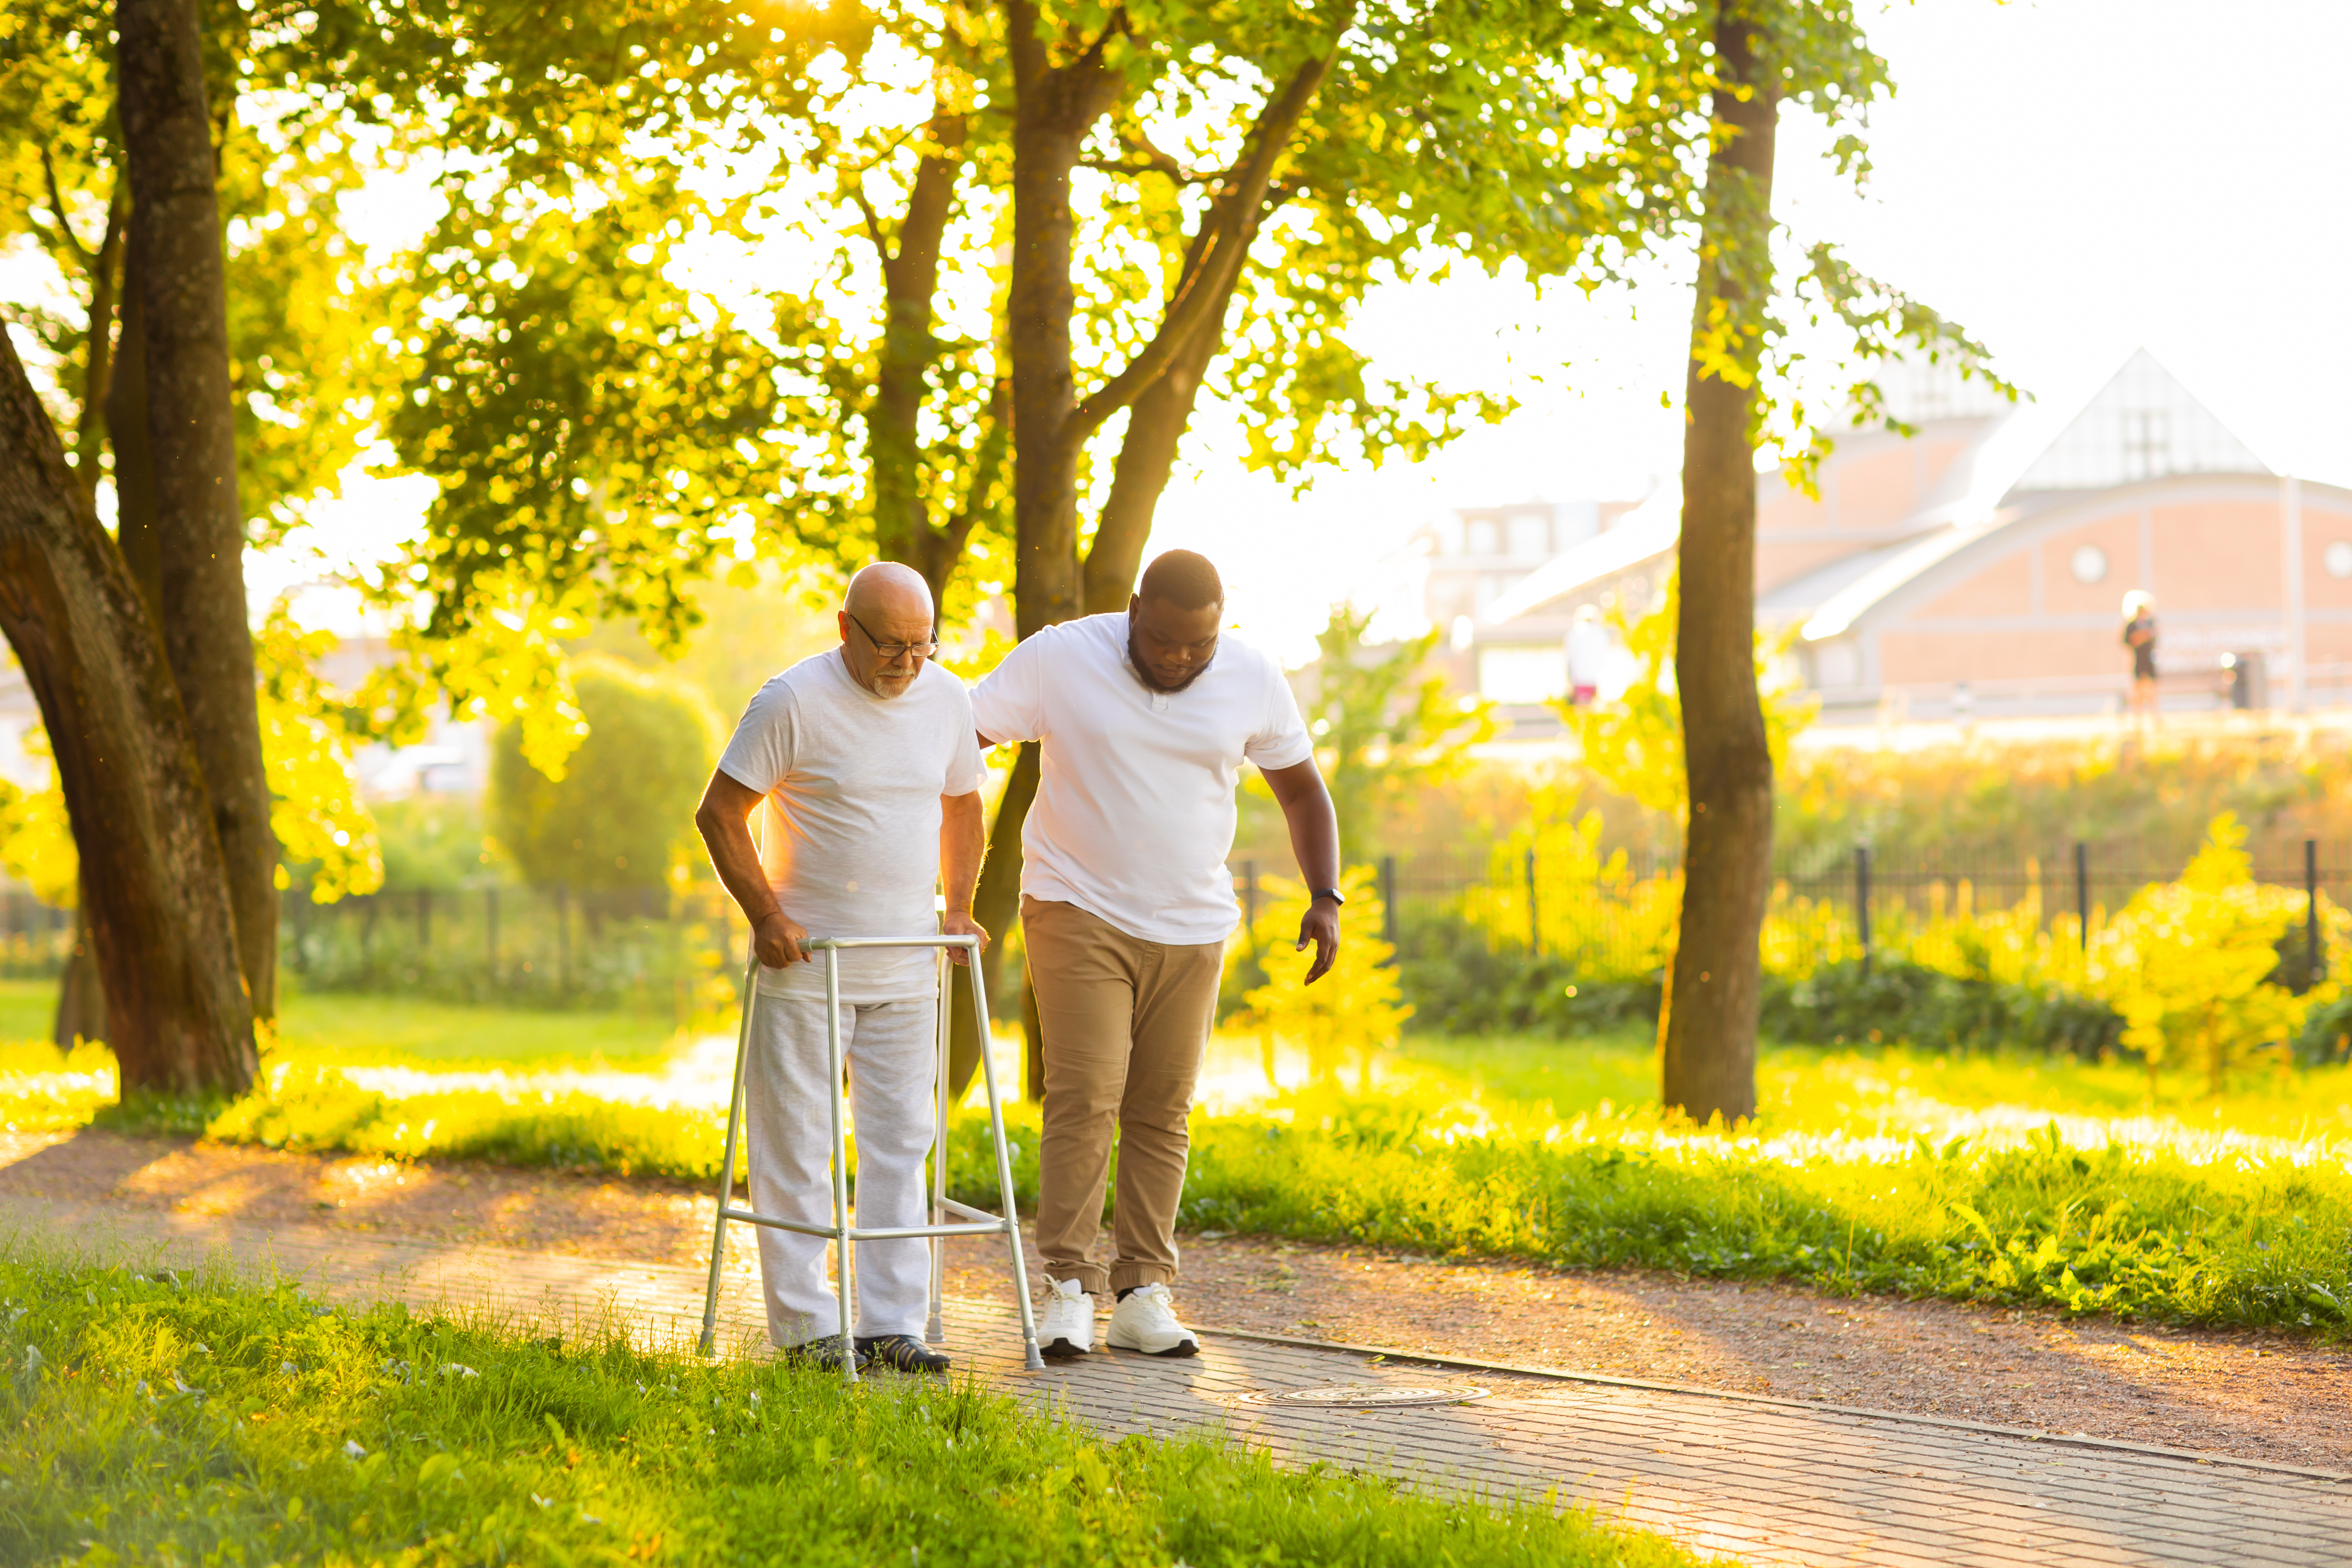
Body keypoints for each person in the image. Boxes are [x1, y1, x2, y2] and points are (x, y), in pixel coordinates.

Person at [971, 549, 1341, 1360]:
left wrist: (1324, 895)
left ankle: (1142, 1291)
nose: (1179, 658)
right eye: (1166, 640)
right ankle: (1068, 1285)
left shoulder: (1248, 674)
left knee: (1161, 1109)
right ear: (1136, 608)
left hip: (1193, 924)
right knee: (1085, 1094)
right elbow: (961, 731)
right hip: (1076, 905)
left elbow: (1302, 788)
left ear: (1220, 629)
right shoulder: (1061, 655)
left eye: (1197, 646)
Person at [694, 563, 986, 1373]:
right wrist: (765, 915)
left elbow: (962, 802)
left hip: (907, 959)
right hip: (809, 960)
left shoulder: (947, 700)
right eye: (889, 645)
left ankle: (892, 1322)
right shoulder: (791, 700)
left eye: (921, 645)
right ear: (844, 627)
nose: (906, 663)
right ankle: (808, 1329)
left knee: (902, 1141)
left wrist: (957, 905)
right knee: (797, 1143)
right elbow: (720, 811)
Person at [2122, 591, 2158, 720]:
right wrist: (2143, 636)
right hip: (2137, 660)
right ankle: (2138, 717)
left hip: (2149, 660)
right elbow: (2129, 641)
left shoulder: (2150, 623)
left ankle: (2155, 715)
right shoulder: (2131, 626)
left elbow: (2154, 638)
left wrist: (2143, 636)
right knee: (2137, 691)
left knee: (2152, 689)